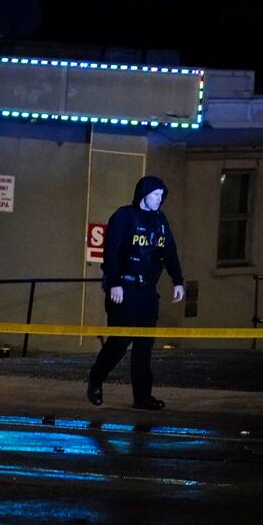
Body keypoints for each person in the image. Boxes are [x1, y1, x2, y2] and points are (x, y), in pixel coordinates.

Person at [87, 175, 184, 411]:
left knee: (144, 345)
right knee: (119, 342)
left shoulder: (160, 220)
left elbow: (170, 251)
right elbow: (110, 252)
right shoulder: (124, 217)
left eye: (162, 196)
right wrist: (114, 283)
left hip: (148, 291)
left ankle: (142, 397)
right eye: (155, 195)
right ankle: (96, 380)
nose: (159, 200)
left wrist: (178, 280)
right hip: (125, 288)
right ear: (143, 195)